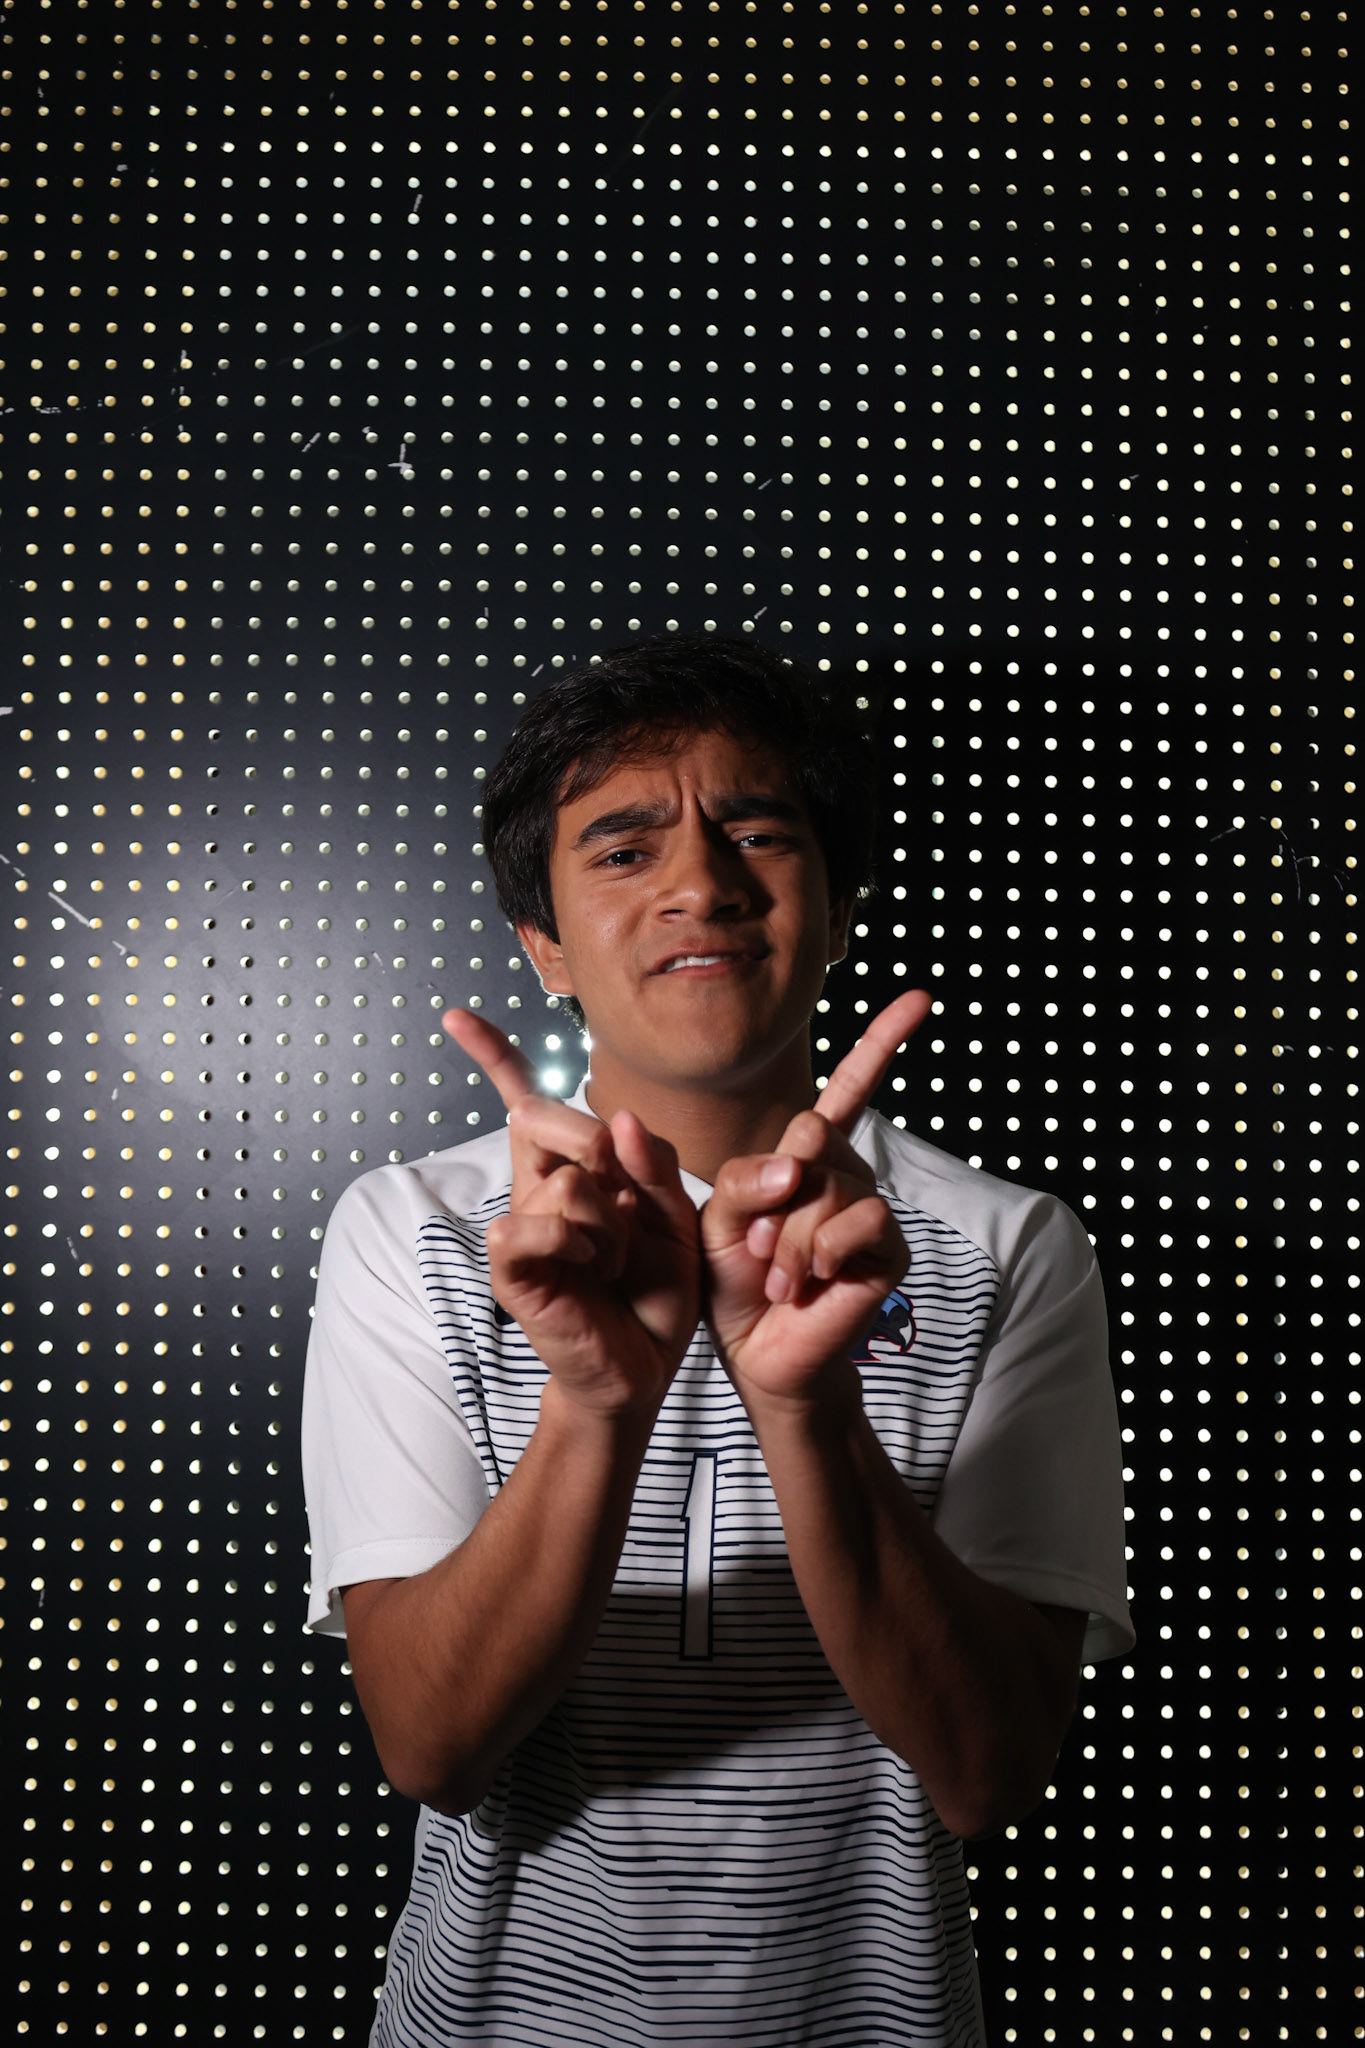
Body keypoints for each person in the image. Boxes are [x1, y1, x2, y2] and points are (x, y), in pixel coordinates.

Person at [301, 631, 1133, 2047]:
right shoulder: (414, 1229)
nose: (702, 882)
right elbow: (431, 1745)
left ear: (838, 907)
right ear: (543, 946)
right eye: (626, 849)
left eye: (757, 832)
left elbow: (988, 1770)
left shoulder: (1008, 1246)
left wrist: (808, 1409)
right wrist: (593, 1403)